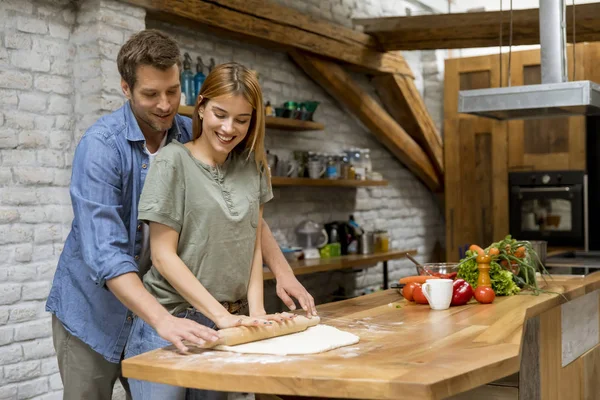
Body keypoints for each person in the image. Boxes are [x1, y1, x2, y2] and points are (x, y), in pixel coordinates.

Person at [46, 29, 316, 400]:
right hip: (98, 311)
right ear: (126, 88)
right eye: (151, 94)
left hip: (171, 304)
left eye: (172, 91)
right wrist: (162, 319)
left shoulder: (194, 133)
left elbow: (242, 212)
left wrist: (282, 272)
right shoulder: (101, 148)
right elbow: (107, 257)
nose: (165, 105)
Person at [125, 61, 293, 399]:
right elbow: (162, 255)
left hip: (227, 327)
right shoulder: (173, 161)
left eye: (242, 120)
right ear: (201, 106)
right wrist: (219, 315)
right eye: (220, 114)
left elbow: (252, 246)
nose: (229, 128)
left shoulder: (254, 166)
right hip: (172, 324)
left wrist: (256, 312)